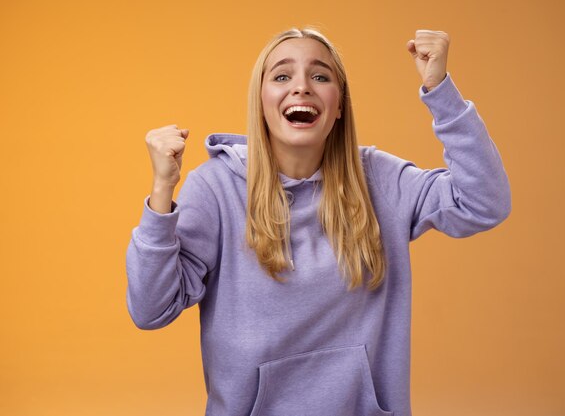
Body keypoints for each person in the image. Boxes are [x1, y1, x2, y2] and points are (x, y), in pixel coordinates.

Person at [125, 27, 511, 416]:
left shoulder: (379, 180)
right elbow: (151, 309)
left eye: (320, 76)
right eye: (281, 76)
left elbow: (484, 202)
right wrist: (162, 191)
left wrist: (441, 92)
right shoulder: (215, 189)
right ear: (260, 102)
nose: (301, 87)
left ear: (339, 104)